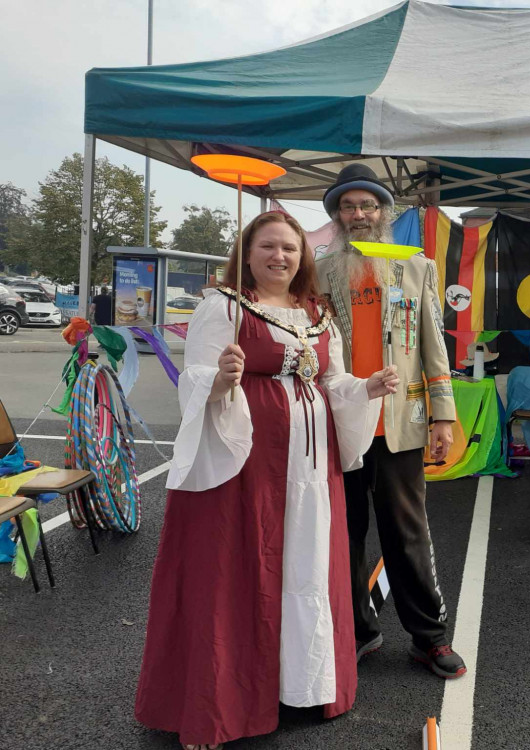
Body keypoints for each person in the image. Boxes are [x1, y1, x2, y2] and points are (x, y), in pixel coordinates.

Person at [134, 211, 399, 750]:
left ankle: (301, 686)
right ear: (247, 252)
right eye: (269, 247)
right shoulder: (223, 307)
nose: (280, 256)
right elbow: (195, 376)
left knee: (304, 567)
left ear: (303, 257)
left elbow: (330, 380)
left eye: (291, 249)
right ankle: (220, 702)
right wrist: (219, 378)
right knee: (239, 565)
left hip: (310, 465)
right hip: (246, 462)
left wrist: (365, 387)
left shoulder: (316, 312)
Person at [316, 164, 466, 679]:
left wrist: (442, 415)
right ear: (337, 214)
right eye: (349, 206)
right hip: (339, 425)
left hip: (398, 424)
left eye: (368, 205)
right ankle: (359, 631)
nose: (358, 214)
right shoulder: (318, 272)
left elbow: (433, 344)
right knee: (345, 533)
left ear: (384, 212)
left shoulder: (414, 267)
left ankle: (429, 638)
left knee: (407, 533)